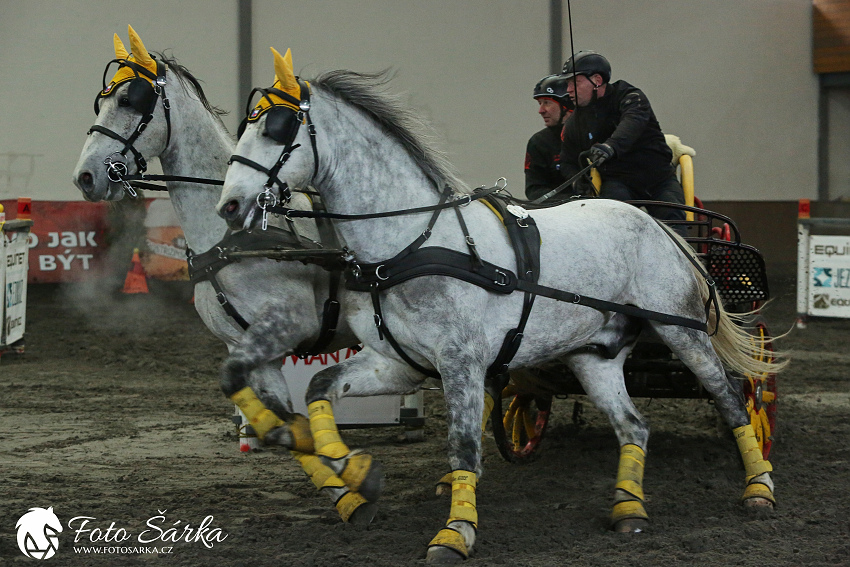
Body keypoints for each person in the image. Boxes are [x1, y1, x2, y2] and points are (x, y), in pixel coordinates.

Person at [558, 50, 686, 226]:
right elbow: (566, 161)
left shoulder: (631, 97)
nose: (568, 90)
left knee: (674, 222)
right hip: (619, 183)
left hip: (659, 179)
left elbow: (632, 123)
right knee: (613, 222)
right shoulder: (575, 123)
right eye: (567, 84)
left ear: (597, 80)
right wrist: (577, 181)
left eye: (575, 82)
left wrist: (610, 147)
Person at [524, 74, 574, 201]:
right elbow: (534, 189)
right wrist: (571, 201)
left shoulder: (593, 133)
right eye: (540, 104)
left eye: (546, 103)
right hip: (561, 212)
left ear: (566, 104)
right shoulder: (539, 142)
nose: (541, 110)